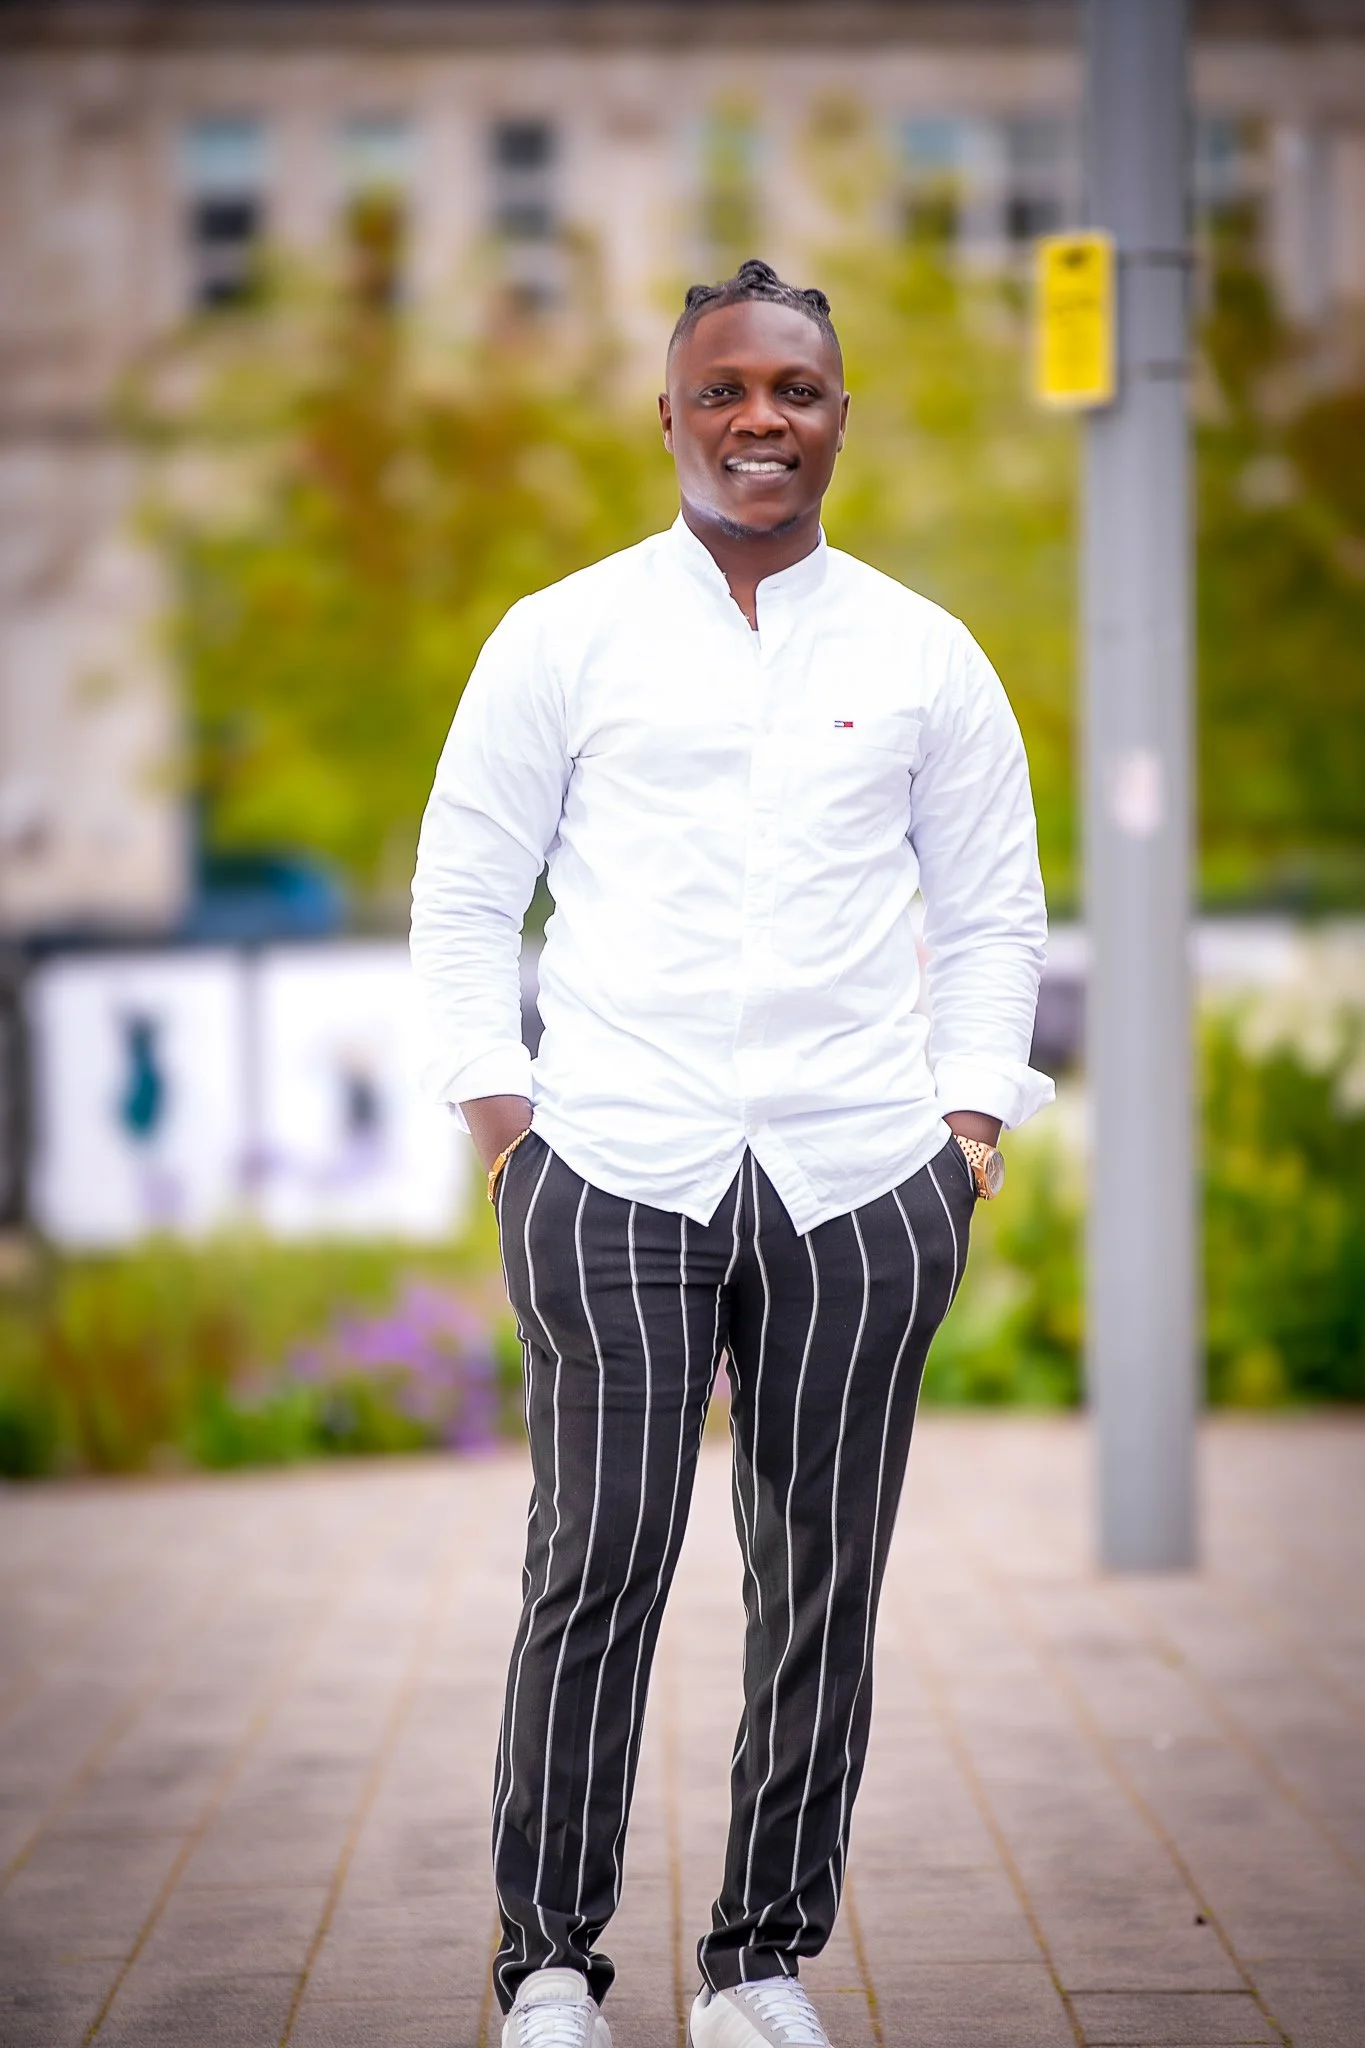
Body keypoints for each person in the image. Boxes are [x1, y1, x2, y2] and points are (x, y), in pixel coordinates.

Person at [411, 257, 1052, 2048]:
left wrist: (968, 1131)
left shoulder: (928, 653)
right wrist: (505, 1128)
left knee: (821, 1580)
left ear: (841, 417)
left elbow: (995, 913)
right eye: (726, 391)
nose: (760, 419)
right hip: (611, 1164)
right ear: (671, 416)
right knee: (597, 1558)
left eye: (796, 391)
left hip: (864, 1180)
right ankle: (549, 1962)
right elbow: (466, 894)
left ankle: (760, 1961)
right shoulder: (562, 635)